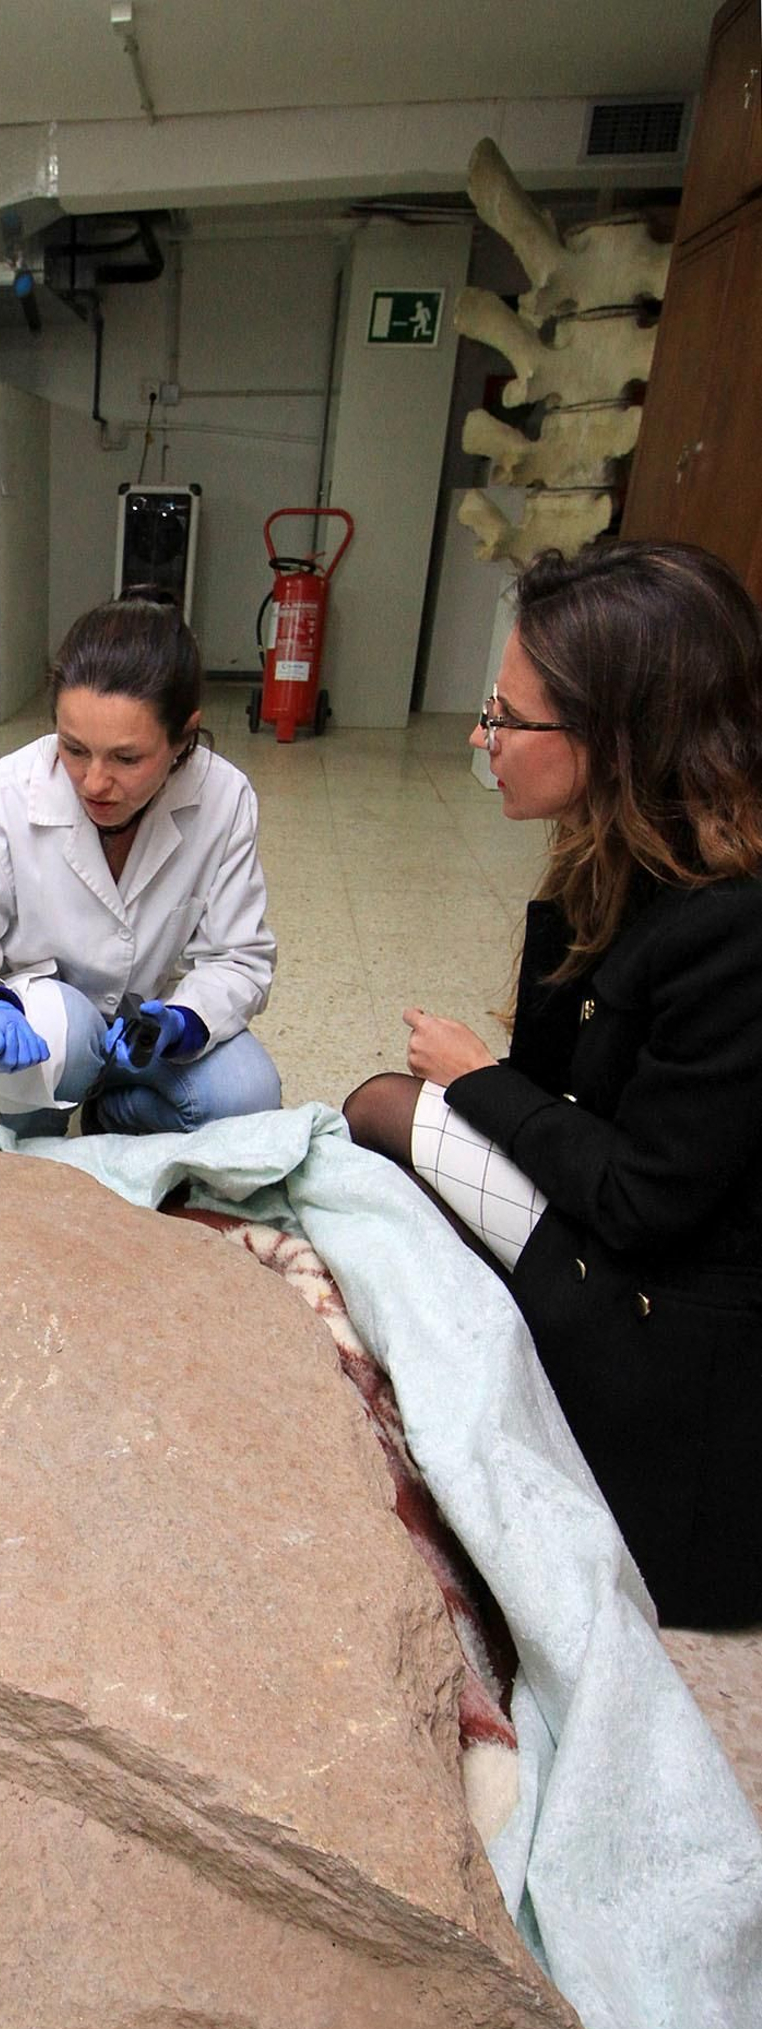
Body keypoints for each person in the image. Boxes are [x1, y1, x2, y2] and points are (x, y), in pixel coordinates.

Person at [344, 542, 762, 1631]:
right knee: (380, 1115)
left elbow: (643, 1201)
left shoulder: (732, 926)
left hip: (666, 1318)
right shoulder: (625, 849)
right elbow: (562, 1073)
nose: (483, 739)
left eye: (507, 717)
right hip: (630, 1235)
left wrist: (480, 1083)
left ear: (617, 740)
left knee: (389, 1115)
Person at [0, 589, 280, 1137]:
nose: (95, 782)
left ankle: (113, 1113)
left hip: (141, 1036)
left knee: (247, 1097)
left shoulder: (224, 797)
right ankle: (28, 1140)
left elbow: (239, 958)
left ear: (183, 737)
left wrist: (184, 1020)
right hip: (39, 1038)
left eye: (127, 758)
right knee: (63, 1030)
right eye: (73, 748)